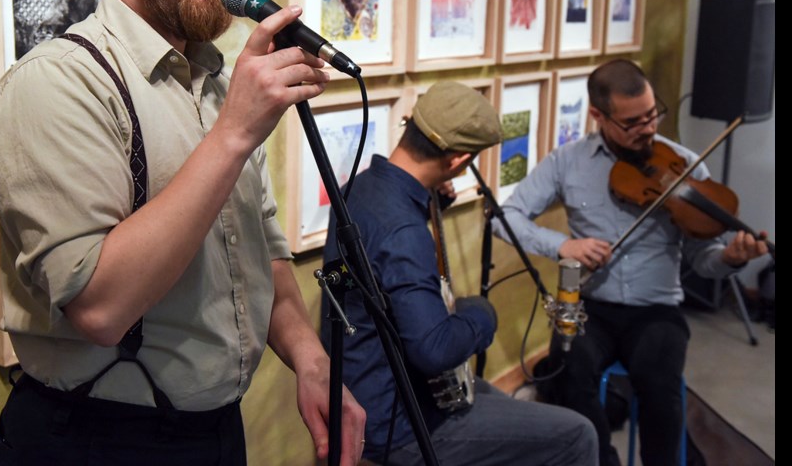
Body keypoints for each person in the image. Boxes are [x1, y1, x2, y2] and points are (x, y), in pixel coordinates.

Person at [0, 0, 366, 463]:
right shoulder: (56, 85)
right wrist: (235, 133)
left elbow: (256, 244)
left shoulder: (214, 76)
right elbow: (100, 307)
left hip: (212, 433)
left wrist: (310, 357)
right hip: (96, 440)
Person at [493, 59, 768, 466]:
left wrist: (728, 259)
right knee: (567, 376)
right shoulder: (567, 161)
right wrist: (563, 245)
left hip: (656, 309)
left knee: (660, 388)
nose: (650, 128)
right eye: (634, 122)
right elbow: (506, 217)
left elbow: (703, 260)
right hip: (590, 308)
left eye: (653, 114)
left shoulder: (686, 165)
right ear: (597, 116)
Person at [321, 81, 598, 466]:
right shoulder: (404, 230)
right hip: (398, 423)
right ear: (456, 161)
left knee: (490, 396)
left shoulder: (359, 188)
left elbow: (383, 264)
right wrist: (482, 314)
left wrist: (431, 204)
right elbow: (434, 350)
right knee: (576, 434)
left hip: (359, 389)